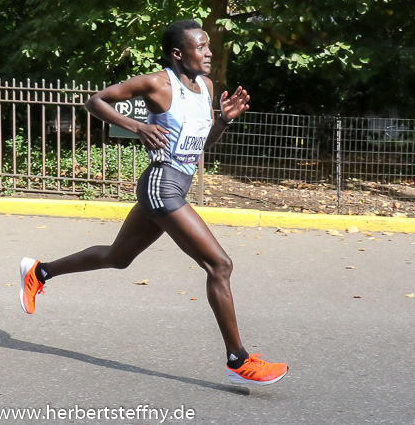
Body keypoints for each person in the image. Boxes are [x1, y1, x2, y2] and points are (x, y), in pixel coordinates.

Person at [20, 19, 288, 386]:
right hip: (162, 185)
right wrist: (138, 127)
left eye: (209, 46)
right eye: (201, 47)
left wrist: (223, 120)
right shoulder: (157, 83)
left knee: (118, 257)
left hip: (176, 182)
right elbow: (95, 101)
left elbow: (198, 147)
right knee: (220, 265)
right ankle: (238, 360)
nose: (209, 53)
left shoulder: (205, 87)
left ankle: (39, 271)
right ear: (179, 53)